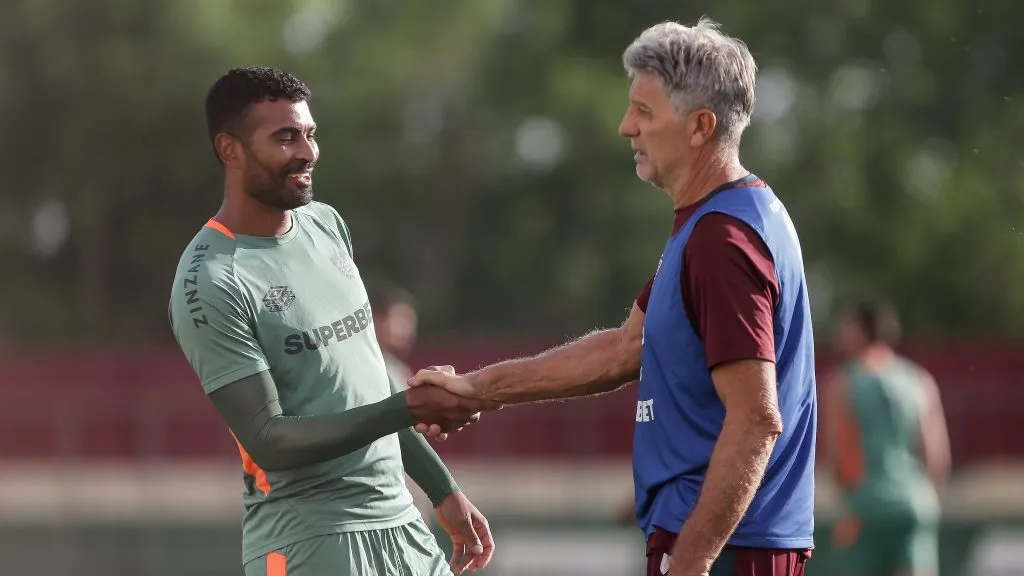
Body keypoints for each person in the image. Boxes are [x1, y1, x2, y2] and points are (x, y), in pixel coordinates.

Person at [410, 18, 817, 576]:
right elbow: (625, 349)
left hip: (725, 549)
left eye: (645, 113)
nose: (627, 127)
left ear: (700, 126)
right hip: (723, 543)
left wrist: (692, 562)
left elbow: (755, 420)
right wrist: (477, 389)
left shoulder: (722, 240)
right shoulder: (715, 222)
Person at [168, 67, 499, 576]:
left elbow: (369, 383)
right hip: (309, 543)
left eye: (309, 134)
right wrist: (409, 408)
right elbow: (269, 439)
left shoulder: (325, 223)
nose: (307, 151)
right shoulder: (211, 279)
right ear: (230, 150)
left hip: (402, 525)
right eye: (285, 138)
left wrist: (441, 488)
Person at [824, 301, 951, 576]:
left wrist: (853, 498)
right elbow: (936, 456)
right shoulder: (919, 380)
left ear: (859, 330)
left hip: (866, 505)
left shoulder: (843, 382)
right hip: (916, 504)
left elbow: (835, 455)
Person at [368, 281, 419, 392]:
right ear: (376, 319)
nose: (408, 329)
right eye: (401, 320)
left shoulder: (399, 370)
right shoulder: (365, 366)